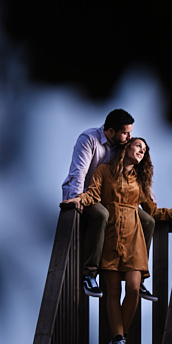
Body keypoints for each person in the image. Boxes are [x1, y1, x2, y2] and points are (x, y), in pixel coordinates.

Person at [66, 137, 172, 344]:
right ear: (126, 147)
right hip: (110, 236)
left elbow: (153, 211)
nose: (142, 150)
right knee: (113, 291)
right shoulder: (103, 170)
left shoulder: (141, 178)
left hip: (134, 239)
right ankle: (119, 341)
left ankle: (118, 339)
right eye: (138, 145)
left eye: (145, 149)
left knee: (133, 289)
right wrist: (78, 199)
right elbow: (93, 194)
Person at [60, 108, 154, 299]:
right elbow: (79, 173)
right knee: (102, 214)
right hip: (89, 195)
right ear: (110, 131)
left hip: (112, 198)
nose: (129, 137)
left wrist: (148, 200)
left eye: (130, 132)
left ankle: (136, 275)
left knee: (147, 221)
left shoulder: (123, 144)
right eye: (125, 132)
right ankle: (90, 274)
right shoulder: (89, 139)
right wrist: (77, 199)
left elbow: (134, 172)